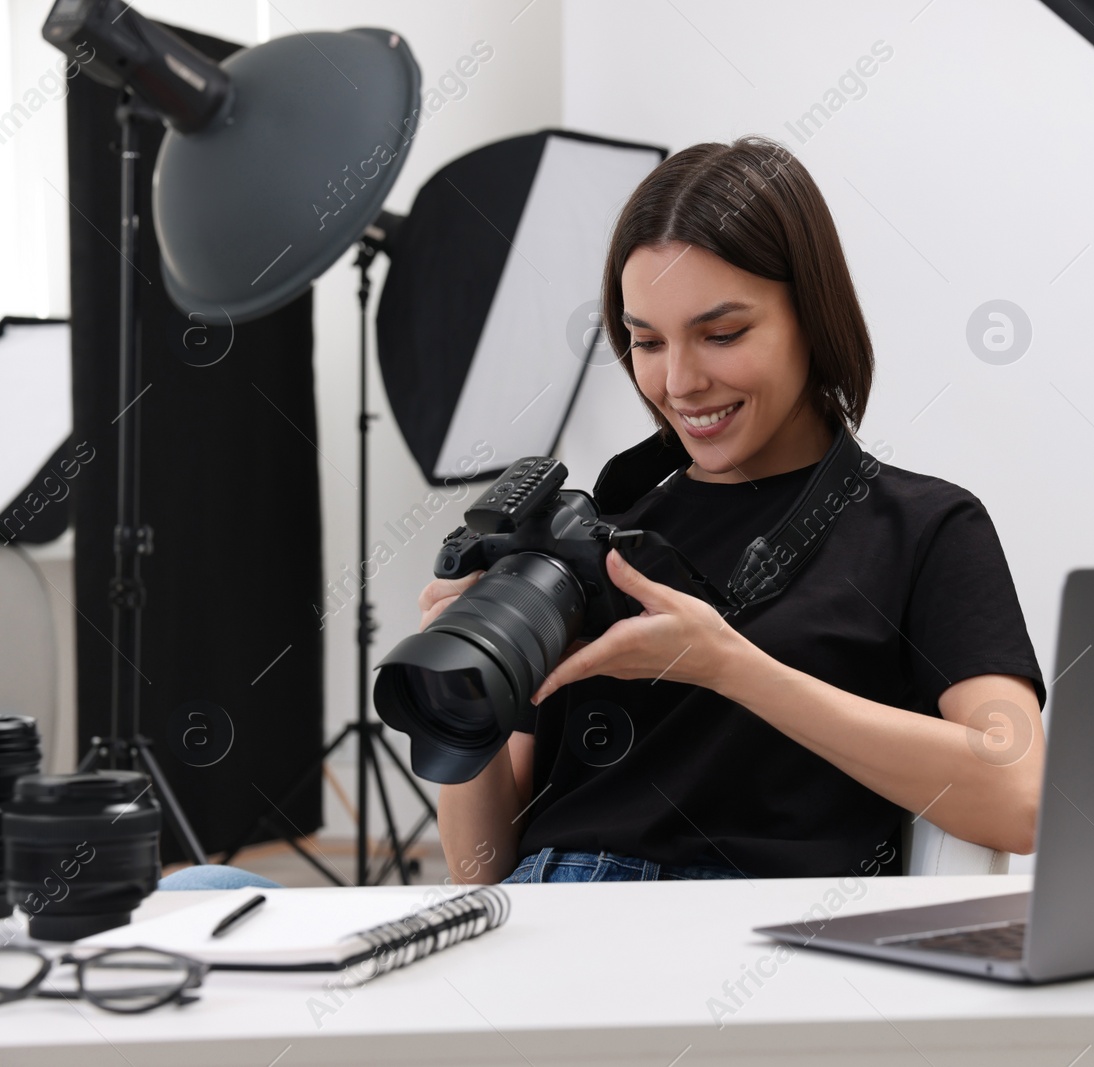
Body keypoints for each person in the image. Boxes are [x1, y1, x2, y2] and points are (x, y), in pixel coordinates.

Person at [159, 134, 1046, 891]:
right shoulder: (594, 538)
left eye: (722, 333)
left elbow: (1020, 796)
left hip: (736, 940)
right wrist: (458, 704)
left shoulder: (923, 528)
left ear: (811, 316)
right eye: (647, 341)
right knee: (197, 890)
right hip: (540, 916)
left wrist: (729, 666)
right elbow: (479, 866)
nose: (679, 382)